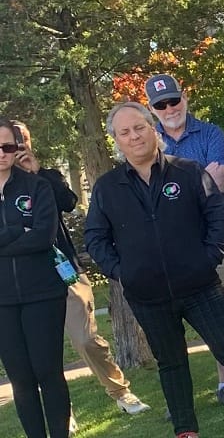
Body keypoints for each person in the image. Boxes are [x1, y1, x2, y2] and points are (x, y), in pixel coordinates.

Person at [84, 102, 224, 438]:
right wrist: (123, 272)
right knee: (171, 363)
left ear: (153, 129)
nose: (134, 136)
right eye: (124, 132)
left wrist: (207, 258)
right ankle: (186, 431)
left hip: (201, 286)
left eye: (139, 127)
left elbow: (219, 218)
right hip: (147, 294)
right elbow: (96, 238)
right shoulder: (106, 187)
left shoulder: (188, 171)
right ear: (117, 140)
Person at [11, 122, 149, 434]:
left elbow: (69, 202)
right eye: (10, 141)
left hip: (64, 271)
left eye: (22, 139)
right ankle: (62, 411)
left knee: (86, 339)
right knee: (42, 353)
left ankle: (120, 392)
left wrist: (36, 173)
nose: (17, 146)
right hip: (24, 280)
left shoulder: (46, 177)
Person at [145, 73, 224, 406]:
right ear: (152, 109)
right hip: (169, 247)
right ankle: (181, 397)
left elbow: (218, 183)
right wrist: (197, 183)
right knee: (169, 320)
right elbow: (145, 197)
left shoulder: (211, 133)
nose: (170, 109)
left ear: (184, 98)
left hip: (214, 237)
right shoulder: (145, 142)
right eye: (161, 105)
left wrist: (172, 198)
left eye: (173, 100)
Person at [0, 118, 71, 438]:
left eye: (8, 146)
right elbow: (29, 233)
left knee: (48, 372)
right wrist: (18, 229)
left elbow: (44, 236)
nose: (2, 153)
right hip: (2, 301)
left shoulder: (36, 186)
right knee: (21, 379)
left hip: (43, 293)